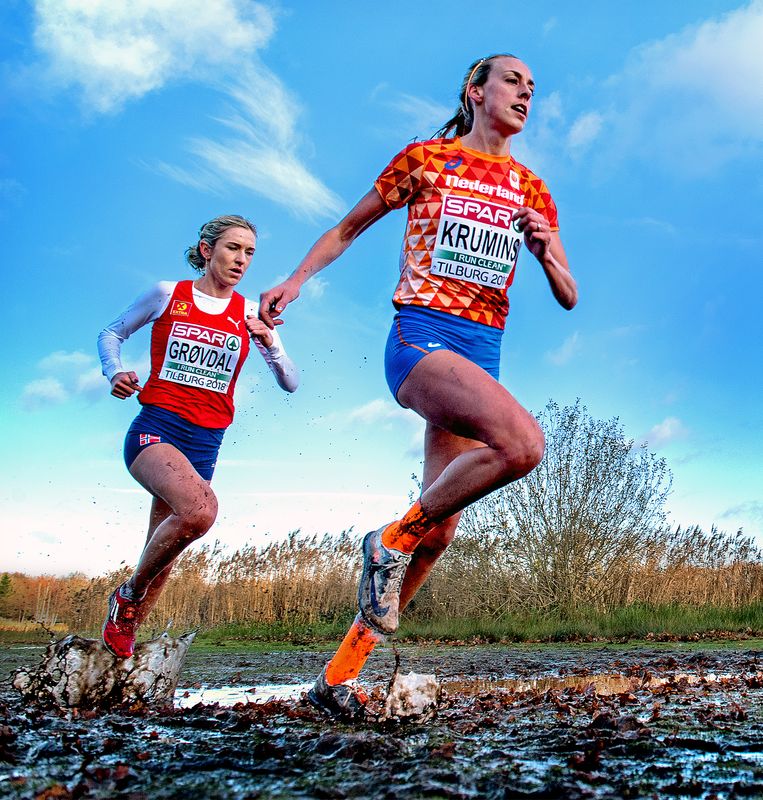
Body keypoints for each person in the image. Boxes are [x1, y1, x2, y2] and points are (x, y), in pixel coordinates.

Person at [259, 54, 577, 718]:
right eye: (513, 81)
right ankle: (387, 541)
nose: (526, 93)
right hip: (421, 342)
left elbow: (569, 296)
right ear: (474, 91)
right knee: (521, 444)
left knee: (438, 535)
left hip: (479, 359)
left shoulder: (531, 188)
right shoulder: (426, 161)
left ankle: (337, 677)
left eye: (532, 88)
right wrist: (294, 281)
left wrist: (546, 251)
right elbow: (346, 227)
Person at [97, 214, 299, 659]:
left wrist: (271, 343)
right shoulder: (168, 294)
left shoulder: (249, 313)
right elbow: (110, 333)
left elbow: (290, 382)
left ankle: (118, 657)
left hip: (206, 443)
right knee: (200, 510)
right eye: (232, 248)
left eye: (249, 253)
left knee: (165, 551)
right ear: (207, 251)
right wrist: (115, 372)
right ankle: (126, 597)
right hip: (156, 429)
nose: (241, 260)